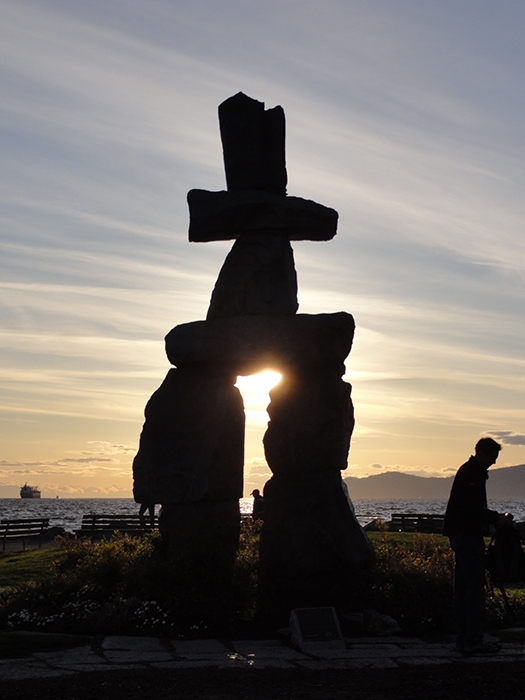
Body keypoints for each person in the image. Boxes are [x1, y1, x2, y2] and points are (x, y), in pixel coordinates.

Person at [443, 437, 513, 655]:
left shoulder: (468, 471)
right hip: (467, 536)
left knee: (463, 588)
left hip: (460, 534)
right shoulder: (473, 473)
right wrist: (496, 518)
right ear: (484, 453)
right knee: (473, 589)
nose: (494, 462)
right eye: (493, 456)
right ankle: (473, 639)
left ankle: (463, 639)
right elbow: (472, 508)